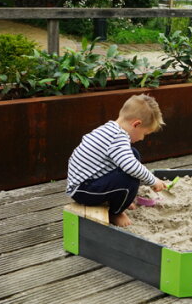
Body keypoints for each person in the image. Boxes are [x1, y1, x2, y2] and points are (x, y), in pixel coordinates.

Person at [66, 94, 168, 227]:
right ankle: (115, 212)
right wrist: (153, 180)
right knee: (130, 179)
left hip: (87, 182)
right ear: (136, 124)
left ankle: (121, 198)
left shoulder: (110, 129)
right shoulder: (118, 138)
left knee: (133, 154)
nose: (142, 138)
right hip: (84, 191)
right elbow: (131, 167)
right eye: (145, 134)